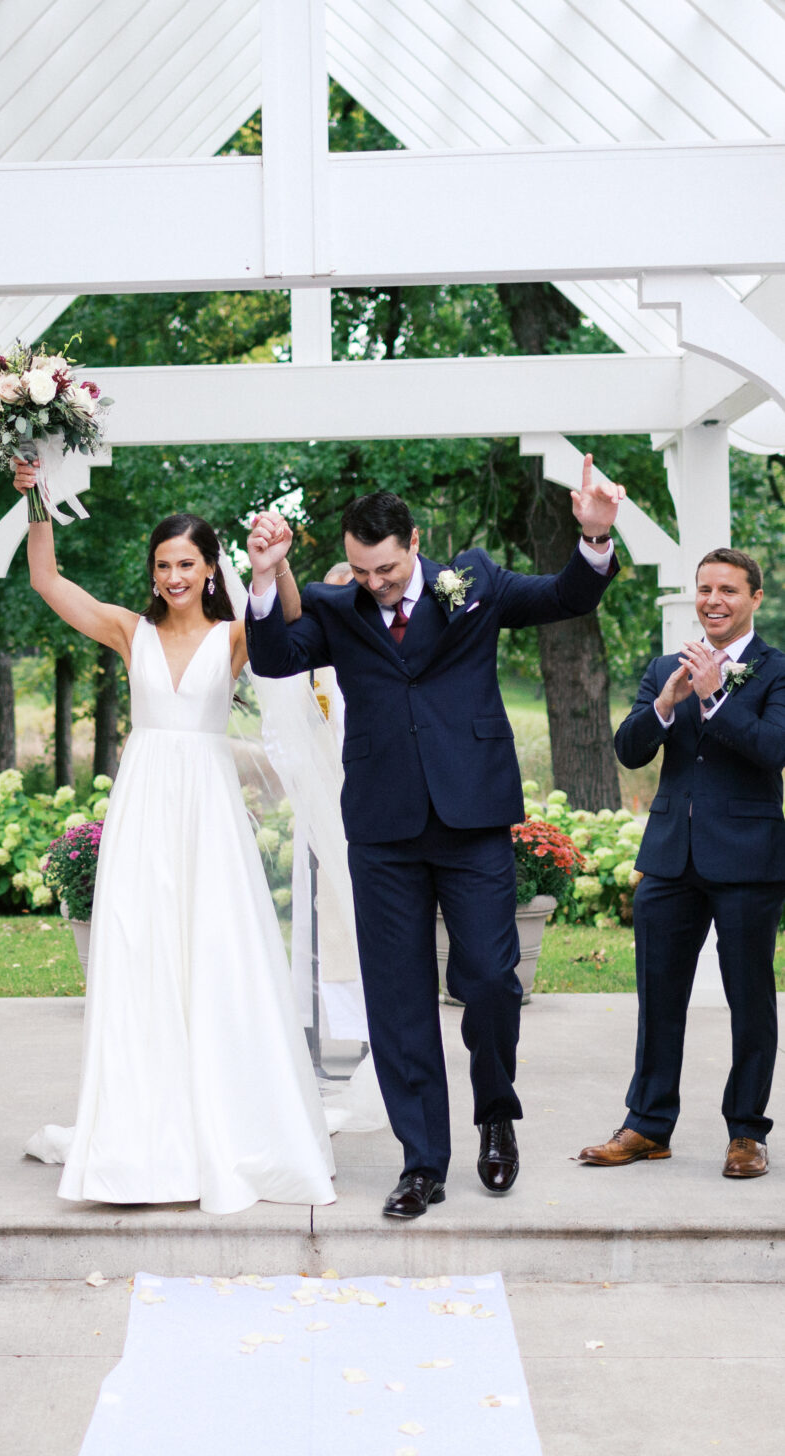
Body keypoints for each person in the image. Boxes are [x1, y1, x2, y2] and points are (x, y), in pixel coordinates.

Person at [245, 455, 622, 1218]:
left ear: (414, 543)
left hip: (472, 816)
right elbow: (275, 657)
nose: (374, 584)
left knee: (487, 978)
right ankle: (421, 1162)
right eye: (360, 569)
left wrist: (593, 537)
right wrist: (263, 577)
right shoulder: (335, 603)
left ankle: (494, 1113)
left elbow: (564, 595)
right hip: (383, 829)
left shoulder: (475, 582)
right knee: (397, 999)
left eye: (384, 569)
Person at [14, 463, 335, 1214]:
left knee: (217, 952)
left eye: (185, 563)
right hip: (147, 806)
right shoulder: (131, 632)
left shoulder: (233, 636)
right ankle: (141, 1130)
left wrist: (276, 564)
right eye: (162, 564)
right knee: (144, 952)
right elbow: (47, 584)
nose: (172, 575)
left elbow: (289, 624)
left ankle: (227, 1117)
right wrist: (34, 499)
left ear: (209, 567)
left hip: (210, 808)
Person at [579, 548, 785, 1180]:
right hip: (670, 858)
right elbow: (630, 750)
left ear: (754, 598)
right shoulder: (668, 665)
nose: (713, 601)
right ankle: (647, 1125)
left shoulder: (776, 669)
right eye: (704, 589)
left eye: (727, 590)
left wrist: (717, 699)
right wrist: (666, 704)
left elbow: (773, 750)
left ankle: (746, 1133)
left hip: (747, 859)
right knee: (658, 997)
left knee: (749, 1000)